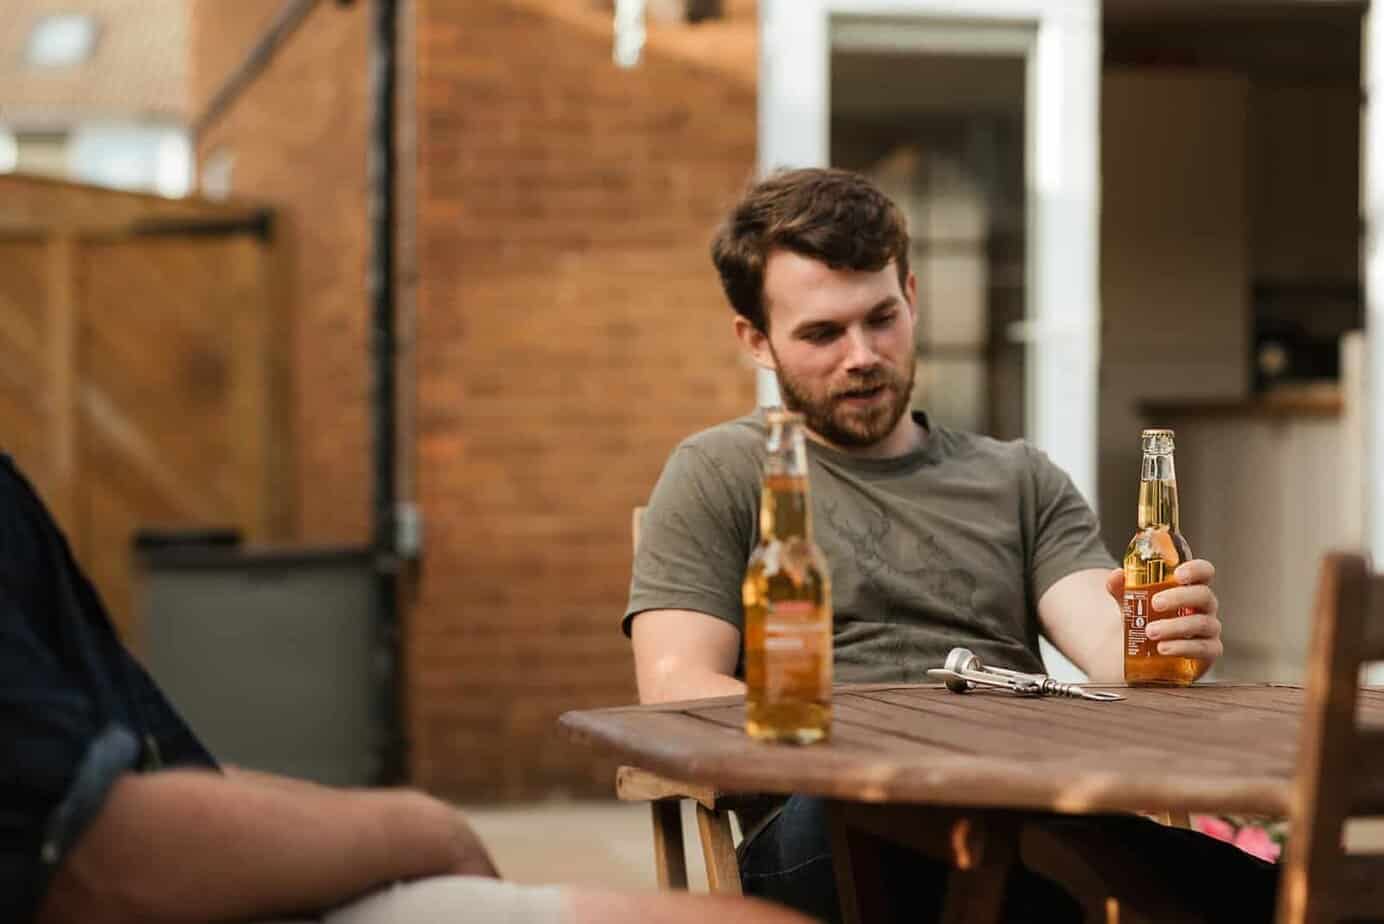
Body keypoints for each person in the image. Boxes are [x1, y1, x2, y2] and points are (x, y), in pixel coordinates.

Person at [624, 167, 1276, 921]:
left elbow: (1106, 638)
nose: (862, 354)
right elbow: (675, 683)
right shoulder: (720, 472)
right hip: (826, 817)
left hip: (1021, 807)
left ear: (912, 295)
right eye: (823, 333)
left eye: (881, 318)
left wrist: (1156, 636)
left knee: (1284, 895)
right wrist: (879, 737)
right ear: (755, 340)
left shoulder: (1019, 479)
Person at [0, 454, 811, 924]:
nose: (859, 355)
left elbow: (153, 773)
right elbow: (92, 855)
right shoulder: (726, 472)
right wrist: (419, 826)